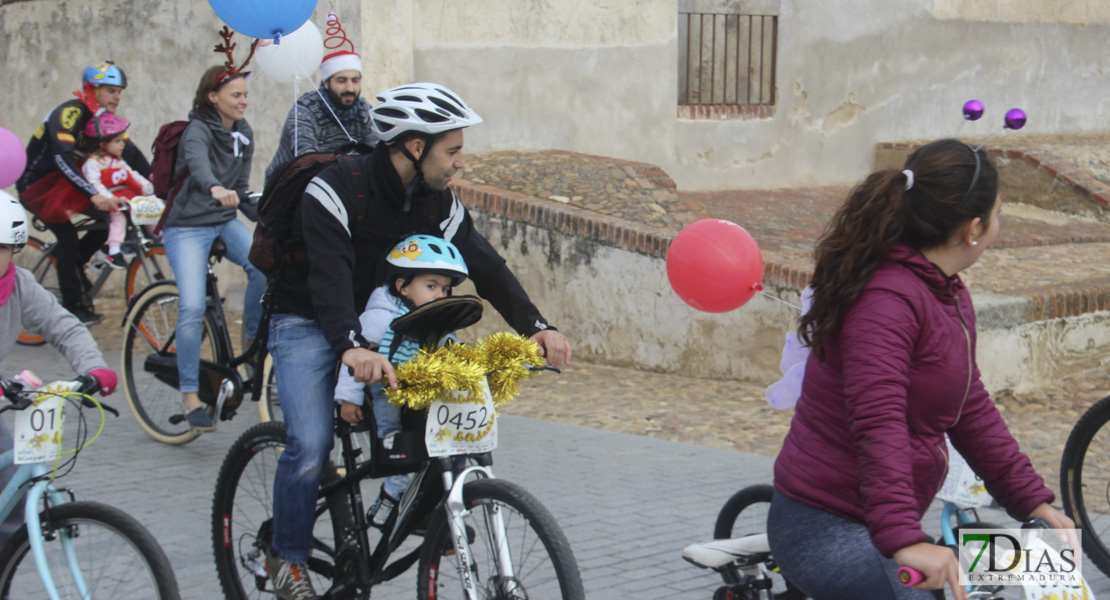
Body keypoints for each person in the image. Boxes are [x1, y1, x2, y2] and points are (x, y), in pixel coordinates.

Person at [264, 82, 571, 600]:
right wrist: (351, 346)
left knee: (435, 420)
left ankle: (427, 508)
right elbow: (329, 277)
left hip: (388, 325)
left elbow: (486, 266)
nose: (458, 164)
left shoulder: (437, 204)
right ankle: (285, 556)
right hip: (311, 320)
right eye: (452, 151)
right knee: (312, 444)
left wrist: (536, 326)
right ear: (414, 146)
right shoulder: (335, 189)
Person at [765, 139, 1072, 600]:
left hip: (886, 520)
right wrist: (906, 540)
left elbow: (969, 407)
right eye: (999, 213)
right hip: (826, 524)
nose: (998, 225)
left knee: (1044, 565)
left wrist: (1032, 499)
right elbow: (878, 422)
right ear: (973, 229)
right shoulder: (885, 303)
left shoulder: (944, 290)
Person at [0, 190, 117, 543]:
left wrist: (94, 368)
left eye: (2, 247)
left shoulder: (19, 285)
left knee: (14, 477)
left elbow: (63, 326)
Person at [333, 233, 469, 527]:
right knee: (394, 440)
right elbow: (355, 359)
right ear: (402, 287)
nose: (439, 295)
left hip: (418, 392)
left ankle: (439, 499)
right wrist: (348, 398)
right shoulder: (379, 318)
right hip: (385, 389)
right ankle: (393, 488)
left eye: (445, 289)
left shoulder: (434, 320)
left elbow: (451, 348)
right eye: (431, 286)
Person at [160, 64, 266, 433]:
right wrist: (214, 189)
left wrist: (274, 212)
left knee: (265, 265)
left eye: (245, 95)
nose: (243, 101)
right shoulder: (197, 131)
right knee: (191, 306)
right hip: (187, 226)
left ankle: (251, 342)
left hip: (222, 220)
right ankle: (189, 392)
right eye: (236, 95)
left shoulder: (243, 133)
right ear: (213, 97)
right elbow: (201, 169)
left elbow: (240, 186)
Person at [16, 61, 149, 323]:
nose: (117, 96)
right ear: (92, 88)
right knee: (67, 240)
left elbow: (131, 153)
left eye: (120, 91)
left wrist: (157, 181)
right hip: (38, 184)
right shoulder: (70, 113)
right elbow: (62, 159)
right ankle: (71, 307)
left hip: (70, 182)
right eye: (111, 90)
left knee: (113, 213)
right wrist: (93, 193)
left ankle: (77, 263)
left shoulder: (106, 120)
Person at [263, 15, 378, 188]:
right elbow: (308, 160)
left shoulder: (364, 110)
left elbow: (377, 153)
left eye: (355, 80)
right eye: (342, 80)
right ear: (326, 83)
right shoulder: (305, 109)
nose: (350, 88)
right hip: (289, 190)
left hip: (346, 187)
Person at [81, 111, 158, 269]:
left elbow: (133, 175)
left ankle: (159, 236)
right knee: (118, 218)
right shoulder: (93, 163)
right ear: (102, 144)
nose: (122, 144)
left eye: (122, 140)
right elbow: (94, 183)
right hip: (111, 200)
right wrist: (109, 198)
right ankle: (114, 251)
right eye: (117, 141)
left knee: (147, 209)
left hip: (126, 197)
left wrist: (146, 187)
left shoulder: (118, 161)